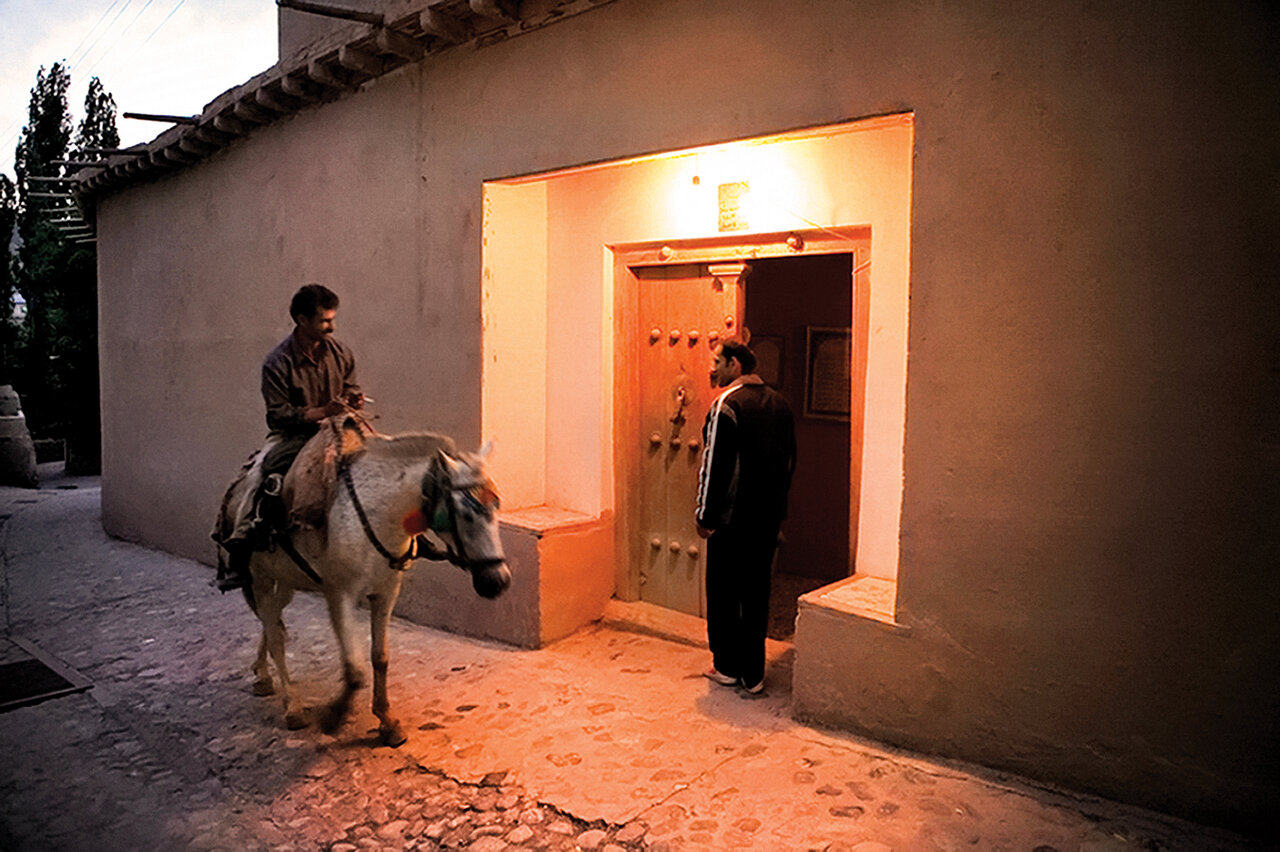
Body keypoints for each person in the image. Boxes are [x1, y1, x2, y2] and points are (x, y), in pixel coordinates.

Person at [216, 283, 364, 591]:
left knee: (376, 465)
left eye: (332, 319)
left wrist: (353, 400)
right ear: (301, 319)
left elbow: (350, 388)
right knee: (267, 476)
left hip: (339, 430)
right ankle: (244, 542)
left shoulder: (341, 352)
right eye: (325, 321)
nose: (332, 327)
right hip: (293, 436)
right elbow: (278, 415)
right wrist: (322, 410)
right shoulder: (277, 362)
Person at [695, 338, 796, 695]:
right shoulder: (781, 404)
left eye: (717, 362)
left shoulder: (728, 405)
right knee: (755, 593)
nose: (712, 369)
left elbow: (716, 466)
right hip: (766, 521)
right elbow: (789, 464)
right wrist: (778, 511)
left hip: (731, 521)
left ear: (735, 365)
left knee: (723, 593)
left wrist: (705, 515)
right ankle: (754, 675)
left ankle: (726, 666)